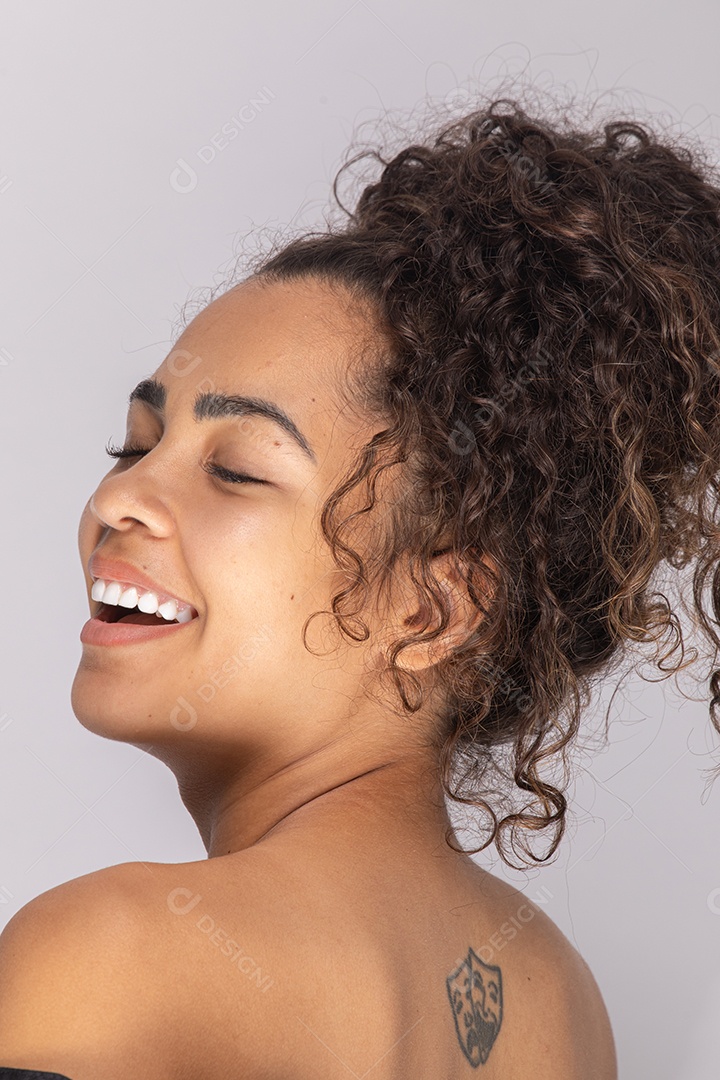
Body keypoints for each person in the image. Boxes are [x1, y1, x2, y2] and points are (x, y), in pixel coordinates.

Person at [1, 91, 720, 1080]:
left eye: (236, 468)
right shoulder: (558, 1003)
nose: (124, 498)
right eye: (135, 444)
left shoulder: (107, 952)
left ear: (432, 610)